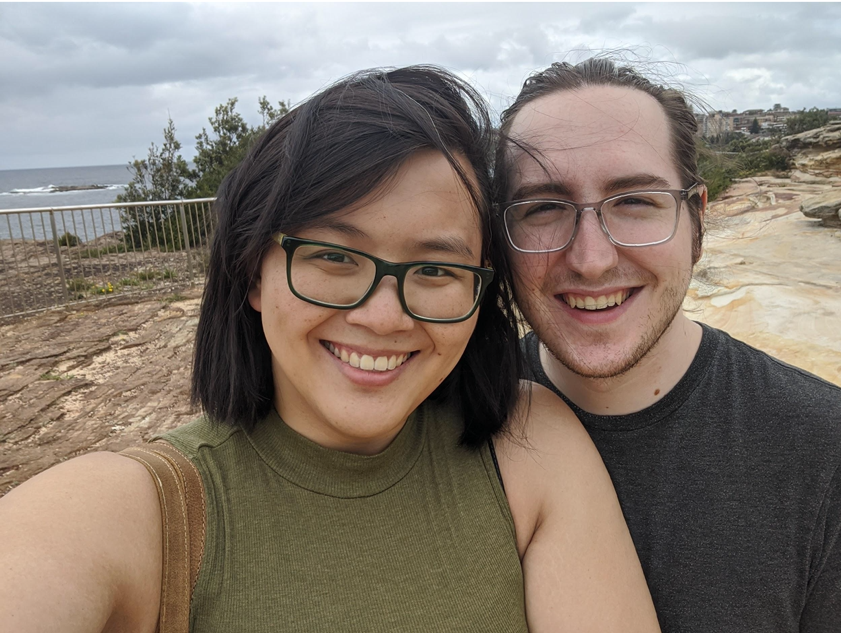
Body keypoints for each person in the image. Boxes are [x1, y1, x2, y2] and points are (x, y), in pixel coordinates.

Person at [0, 66, 659, 632]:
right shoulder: (131, 512)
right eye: (334, 257)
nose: (383, 316)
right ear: (253, 271)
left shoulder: (530, 447)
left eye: (435, 269)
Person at [495, 56, 841, 633]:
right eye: (544, 208)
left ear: (696, 222)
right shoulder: (451, 418)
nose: (591, 259)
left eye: (634, 201)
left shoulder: (824, 452)